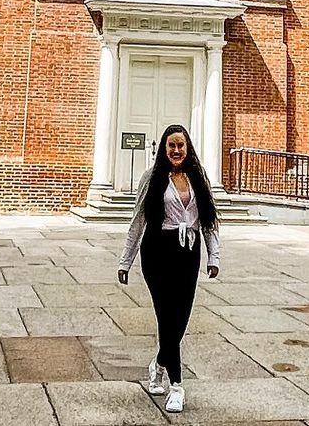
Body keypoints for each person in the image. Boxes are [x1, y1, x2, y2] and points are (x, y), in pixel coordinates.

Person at [117, 123, 220, 414]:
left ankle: (159, 363)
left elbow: (209, 220)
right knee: (167, 317)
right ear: (164, 148)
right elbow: (138, 220)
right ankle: (176, 386)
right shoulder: (151, 177)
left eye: (180, 145)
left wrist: (214, 257)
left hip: (188, 253)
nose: (176, 150)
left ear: (188, 148)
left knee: (181, 319)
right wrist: (125, 261)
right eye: (171, 145)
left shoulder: (199, 177)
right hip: (157, 251)